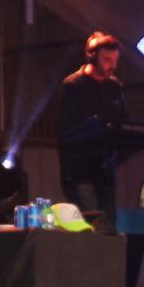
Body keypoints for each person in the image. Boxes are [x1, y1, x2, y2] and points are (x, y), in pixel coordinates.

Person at [56, 32, 128, 219]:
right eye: (107, 60)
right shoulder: (72, 86)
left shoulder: (115, 87)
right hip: (80, 172)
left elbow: (123, 123)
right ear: (91, 57)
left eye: (115, 60)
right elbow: (66, 132)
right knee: (91, 225)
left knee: (108, 227)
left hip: (106, 172)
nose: (113, 66)